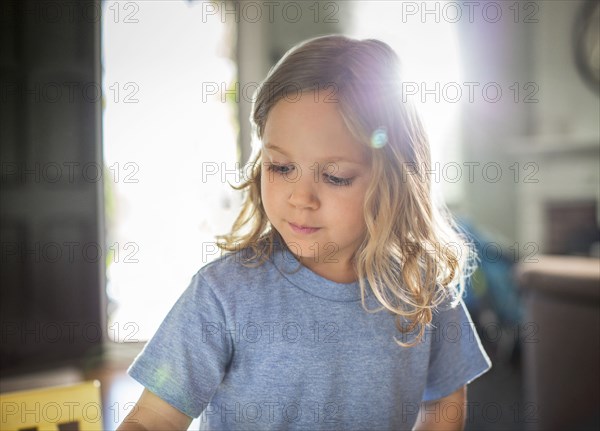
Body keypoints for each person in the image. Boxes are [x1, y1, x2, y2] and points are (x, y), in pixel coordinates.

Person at [118, 35, 491, 431]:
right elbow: (151, 420)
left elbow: (447, 399)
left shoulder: (423, 290)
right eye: (280, 167)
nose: (301, 197)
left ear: (396, 180)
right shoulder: (222, 295)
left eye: (335, 176)